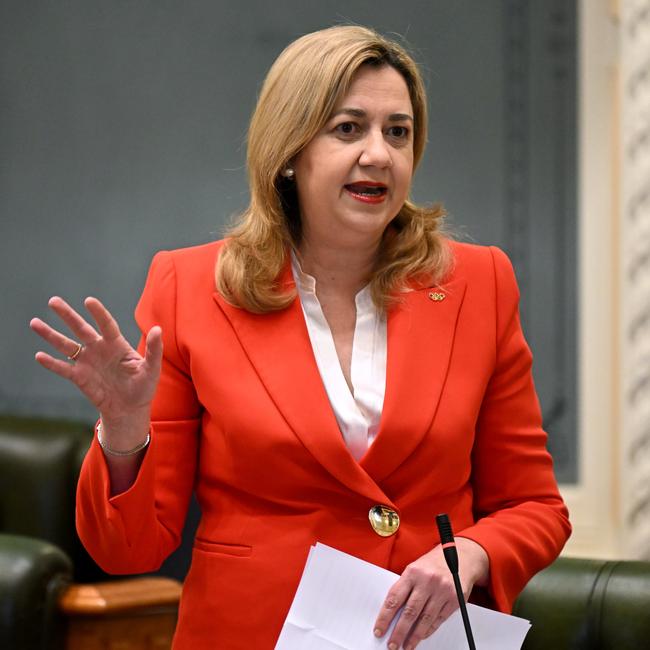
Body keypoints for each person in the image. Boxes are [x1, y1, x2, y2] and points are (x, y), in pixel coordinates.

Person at [30, 25, 571, 650]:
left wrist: (473, 554)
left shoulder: (481, 284)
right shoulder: (188, 287)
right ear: (290, 150)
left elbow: (536, 508)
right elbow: (130, 548)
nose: (379, 154)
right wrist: (125, 432)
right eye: (348, 129)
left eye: (397, 131)